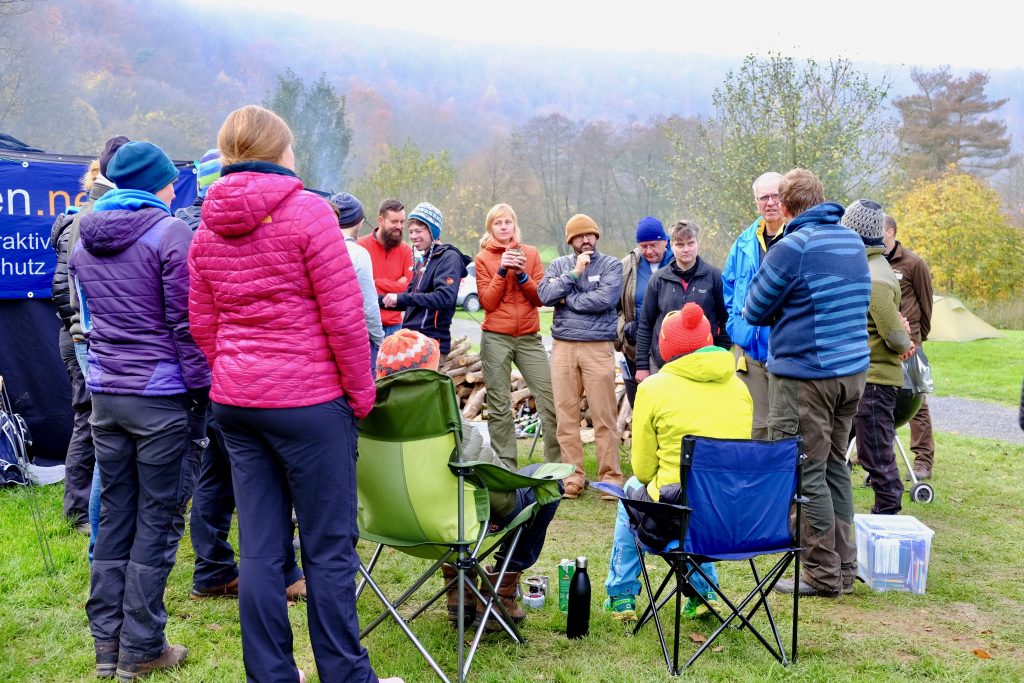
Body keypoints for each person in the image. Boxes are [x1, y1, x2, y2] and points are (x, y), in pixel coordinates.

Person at [188, 104, 401, 683]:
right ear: (281, 152)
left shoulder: (206, 226)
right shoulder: (309, 214)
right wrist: (359, 396)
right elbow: (345, 321)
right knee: (329, 549)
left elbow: (203, 324)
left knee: (259, 549)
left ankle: (271, 675)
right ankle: (344, 674)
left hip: (238, 404)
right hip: (310, 404)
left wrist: (236, 372)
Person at [69, 141, 211, 678]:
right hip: (161, 397)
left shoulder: (85, 234)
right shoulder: (171, 232)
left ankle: (107, 647)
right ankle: (143, 646)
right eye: (171, 179)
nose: (176, 187)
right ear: (155, 182)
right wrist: (201, 393)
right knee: (156, 520)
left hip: (107, 396)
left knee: (116, 520)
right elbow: (185, 325)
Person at [180, 150, 307, 604]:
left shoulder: (191, 224)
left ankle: (213, 568)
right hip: (238, 377)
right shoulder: (227, 226)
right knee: (265, 480)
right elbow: (199, 316)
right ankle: (283, 570)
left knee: (216, 476)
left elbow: (199, 318)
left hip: (216, 375)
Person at [375, 329, 562, 630]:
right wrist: (514, 491)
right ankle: (500, 591)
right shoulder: (443, 417)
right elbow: (495, 484)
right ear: (426, 372)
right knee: (550, 483)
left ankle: (459, 589)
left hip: (389, 522)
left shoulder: (366, 416)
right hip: (451, 522)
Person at [743, 168, 871, 598]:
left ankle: (821, 575)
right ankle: (845, 568)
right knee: (835, 466)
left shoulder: (792, 247)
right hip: (851, 375)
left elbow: (754, 309)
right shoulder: (852, 241)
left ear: (788, 204)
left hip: (807, 379)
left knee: (805, 471)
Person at [604, 303, 753, 621]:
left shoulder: (653, 388)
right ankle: (703, 592)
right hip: (734, 515)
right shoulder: (740, 388)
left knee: (631, 490)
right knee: (702, 493)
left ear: (665, 347)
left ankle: (622, 595)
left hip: (677, 515)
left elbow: (643, 471)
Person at [538, 214, 624, 500]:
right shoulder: (560, 265)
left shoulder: (611, 265)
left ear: (596, 237)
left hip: (597, 346)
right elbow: (545, 294)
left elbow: (605, 300)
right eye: (578, 236)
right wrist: (574, 275)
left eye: (589, 234)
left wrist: (568, 300)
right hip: (563, 347)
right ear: (570, 240)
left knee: (604, 415)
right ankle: (572, 476)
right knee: (566, 415)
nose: (585, 239)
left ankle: (610, 478)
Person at [842, 200, 914, 515]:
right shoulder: (869, 268)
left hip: (876, 380)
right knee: (863, 450)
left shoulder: (876, 279)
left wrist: (906, 340)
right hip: (864, 377)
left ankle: (887, 514)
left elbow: (896, 336)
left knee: (876, 455)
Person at [474, 203, 560, 466]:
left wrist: (521, 274)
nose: (503, 227)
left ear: (515, 225)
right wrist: (501, 269)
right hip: (496, 337)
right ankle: (506, 466)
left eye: (507, 222)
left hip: (528, 337)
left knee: (550, 399)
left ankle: (555, 466)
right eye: (498, 223)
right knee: (499, 405)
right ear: (490, 228)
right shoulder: (482, 259)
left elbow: (540, 298)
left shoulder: (531, 254)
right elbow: (487, 302)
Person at [50, 160, 99, 535]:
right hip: (79, 337)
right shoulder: (80, 225)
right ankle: (78, 510)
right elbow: (64, 290)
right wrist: (80, 332)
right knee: (87, 418)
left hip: (79, 334)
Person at [722, 171, 786, 438]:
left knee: (786, 426)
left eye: (776, 196)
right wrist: (737, 328)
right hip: (749, 352)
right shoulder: (744, 242)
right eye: (764, 197)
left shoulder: (798, 237)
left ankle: (790, 480)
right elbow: (729, 287)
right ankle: (760, 479)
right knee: (755, 428)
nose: (770, 202)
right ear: (756, 202)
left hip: (786, 351)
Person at [634, 220, 730, 383]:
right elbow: (645, 324)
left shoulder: (714, 277)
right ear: (671, 246)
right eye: (680, 244)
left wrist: (718, 350)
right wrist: (642, 365)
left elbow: (727, 319)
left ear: (697, 243)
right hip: (662, 364)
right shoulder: (658, 279)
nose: (686, 249)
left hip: (704, 365)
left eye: (690, 243)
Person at [883, 215, 936, 480]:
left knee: (918, 401)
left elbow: (926, 304)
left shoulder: (913, 263)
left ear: (890, 232)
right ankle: (874, 453)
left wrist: (919, 337)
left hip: (911, 343)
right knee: (877, 397)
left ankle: (923, 460)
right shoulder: (872, 261)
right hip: (882, 342)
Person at [382, 202, 469, 360]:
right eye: (411, 232)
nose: (413, 236)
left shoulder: (449, 258)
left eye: (418, 231)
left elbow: (445, 298)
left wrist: (401, 297)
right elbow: (410, 298)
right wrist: (377, 301)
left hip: (430, 345)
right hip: (411, 342)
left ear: (433, 231)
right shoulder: (423, 261)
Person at [616, 216, 674, 406]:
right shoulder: (627, 266)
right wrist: (623, 330)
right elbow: (614, 308)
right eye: (643, 246)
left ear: (664, 241)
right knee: (641, 407)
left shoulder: (679, 261)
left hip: (673, 349)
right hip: (636, 349)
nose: (649, 251)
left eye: (653, 245)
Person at [329, 192, 385, 368]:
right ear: (359, 221)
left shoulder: (316, 246)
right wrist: (379, 338)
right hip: (352, 342)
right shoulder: (358, 254)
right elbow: (368, 307)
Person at [358, 199, 413, 337]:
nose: (399, 226)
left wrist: (376, 282)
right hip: (366, 326)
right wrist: (396, 286)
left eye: (402, 222)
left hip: (396, 327)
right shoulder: (361, 246)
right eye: (394, 222)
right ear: (380, 220)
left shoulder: (406, 250)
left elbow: (411, 289)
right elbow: (358, 288)